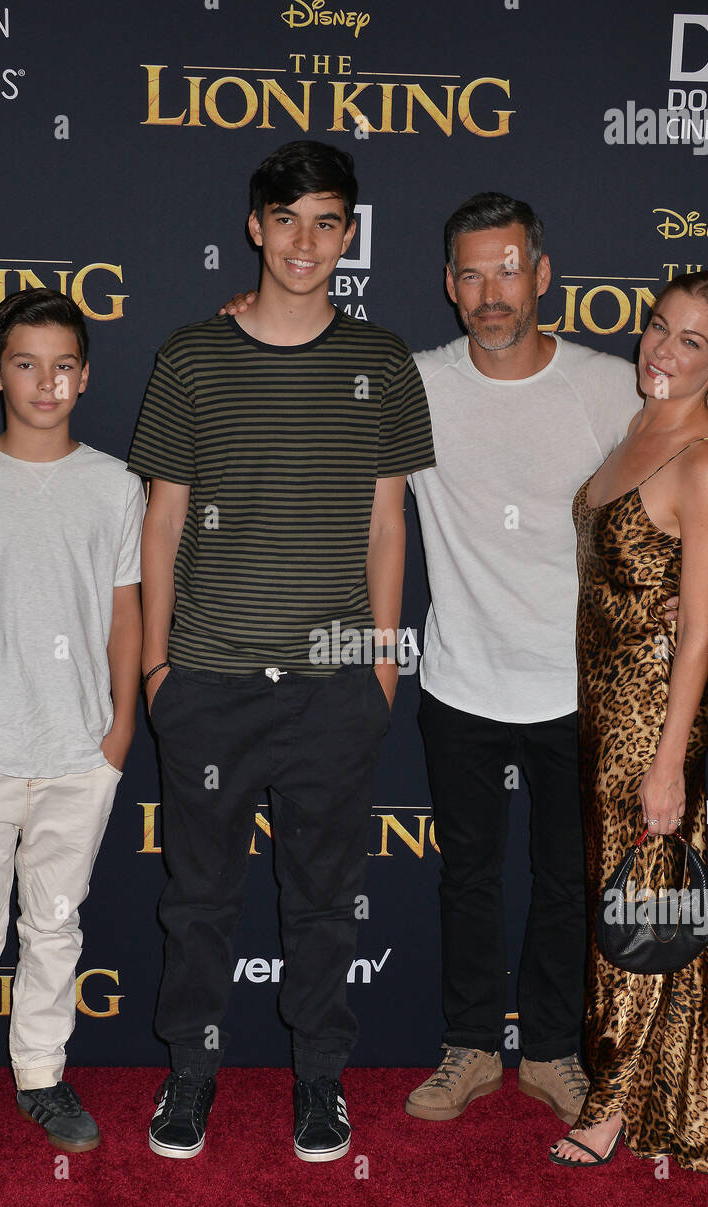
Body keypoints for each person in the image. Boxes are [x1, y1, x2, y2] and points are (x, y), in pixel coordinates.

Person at [220, 192, 643, 1128]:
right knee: (467, 876)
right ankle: (466, 1049)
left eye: (505, 269)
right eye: (468, 273)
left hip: (577, 692)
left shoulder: (611, 388)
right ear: (447, 286)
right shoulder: (413, 381)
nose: (488, 291)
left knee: (566, 883)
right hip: (459, 684)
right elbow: (310, 384)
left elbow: (694, 463)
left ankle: (551, 1054)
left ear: (540, 275)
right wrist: (245, 328)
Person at [129, 141, 435, 1164]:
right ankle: (191, 1076)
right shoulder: (191, 356)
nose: (307, 241)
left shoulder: (382, 363)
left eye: (329, 222)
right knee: (198, 898)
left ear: (349, 236)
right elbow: (160, 521)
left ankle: (319, 1085)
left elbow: (389, 526)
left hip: (334, 688)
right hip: (206, 681)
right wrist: (157, 670)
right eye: (289, 219)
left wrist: (383, 665)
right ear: (254, 226)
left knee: (321, 902)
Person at [0, 288, 144, 1190]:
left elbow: (126, 616)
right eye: (25, 363)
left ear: (84, 374)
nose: (46, 383)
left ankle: (41, 1077)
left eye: (63, 365)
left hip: (80, 753)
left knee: (54, 930)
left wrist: (117, 732)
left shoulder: (115, 486)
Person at [550, 271, 708, 1170]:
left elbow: (700, 631)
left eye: (691, 341)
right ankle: (682, 1091)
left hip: (653, 712)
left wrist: (667, 762)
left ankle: (608, 1105)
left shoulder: (706, 461)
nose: (662, 349)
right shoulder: (642, 422)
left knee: (637, 901)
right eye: (658, 328)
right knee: (652, 895)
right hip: (603, 704)